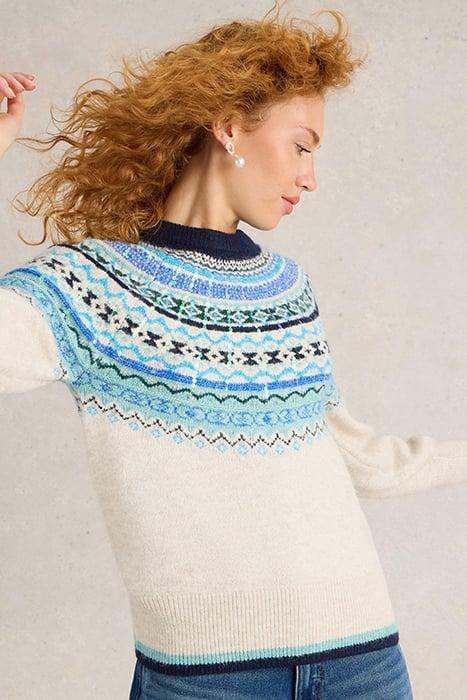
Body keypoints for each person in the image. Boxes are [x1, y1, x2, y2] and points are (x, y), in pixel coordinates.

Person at [1, 3, 465, 698]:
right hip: (208, 680)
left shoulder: (287, 289)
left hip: (363, 661)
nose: (310, 176)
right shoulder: (87, 289)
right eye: (301, 145)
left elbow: (354, 457)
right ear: (226, 126)